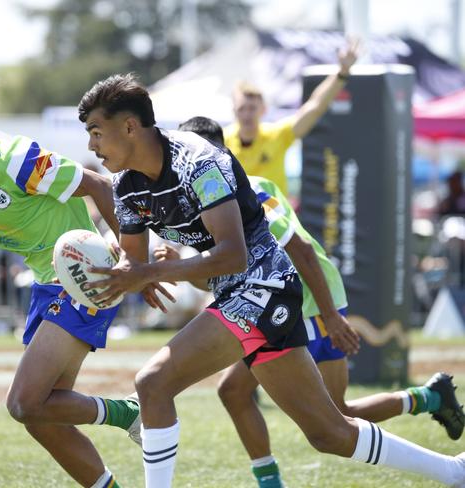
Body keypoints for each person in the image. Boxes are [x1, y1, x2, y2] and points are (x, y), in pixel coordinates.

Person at [77, 73, 465, 487]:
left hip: (265, 287)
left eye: (96, 132)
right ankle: (455, 471)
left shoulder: (200, 162)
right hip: (238, 295)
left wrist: (150, 272)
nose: (91, 146)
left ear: (130, 127)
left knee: (153, 384)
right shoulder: (125, 188)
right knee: (329, 432)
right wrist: (110, 276)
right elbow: (135, 265)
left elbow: (233, 253)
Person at [0, 69, 166, 488]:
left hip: (85, 274)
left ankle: (129, 413)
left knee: (24, 402)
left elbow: (99, 185)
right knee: (42, 416)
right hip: (47, 282)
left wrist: (136, 265)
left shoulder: (15, 158)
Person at [178, 115, 465, 487]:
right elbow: (217, 277)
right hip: (280, 304)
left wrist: (329, 315)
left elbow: (299, 250)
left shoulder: (247, 188)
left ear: (219, 153)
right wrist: (180, 268)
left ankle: (439, 438)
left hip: (305, 302)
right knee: (318, 411)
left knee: (319, 418)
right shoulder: (201, 202)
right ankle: (426, 398)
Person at [224, 39, 358, 195]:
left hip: (274, 216)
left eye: (252, 108)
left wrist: (342, 73)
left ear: (264, 110)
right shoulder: (221, 142)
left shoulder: (277, 135)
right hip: (241, 218)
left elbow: (315, 106)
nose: (247, 114)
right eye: (242, 109)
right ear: (234, 111)